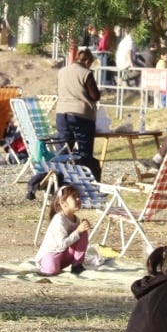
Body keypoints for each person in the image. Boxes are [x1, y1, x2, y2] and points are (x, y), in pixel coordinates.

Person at [52, 47, 102, 183]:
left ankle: (58, 181)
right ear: (86, 61)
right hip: (81, 115)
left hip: (62, 113)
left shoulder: (62, 72)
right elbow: (94, 95)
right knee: (85, 151)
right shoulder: (85, 73)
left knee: (64, 149)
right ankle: (86, 183)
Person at [35, 185, 92, 276]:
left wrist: (81, 229)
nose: (78, 199)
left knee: (83, 232)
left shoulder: (76, 219)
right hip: (52, 253)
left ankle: (77, 265)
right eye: (74, 197)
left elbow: (77, 240)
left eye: (78, 196)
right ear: (63, 202)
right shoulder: (59, 219)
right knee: (51, 272)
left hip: (64, 256)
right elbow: (61, 245)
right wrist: (77, 231)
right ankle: (45, 266)